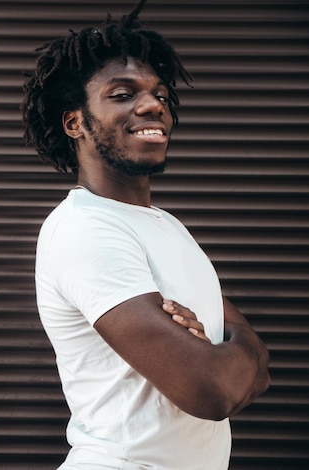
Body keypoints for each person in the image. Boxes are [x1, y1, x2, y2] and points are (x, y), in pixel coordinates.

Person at [21, 1, 271, 468]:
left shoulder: (166, 225)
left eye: (159, 93)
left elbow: (255, 357)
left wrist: (235, 348)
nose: (153, 104)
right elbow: (212, 391)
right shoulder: (86, 229)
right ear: (75, 123)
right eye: (121, 93)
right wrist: (235, 352)